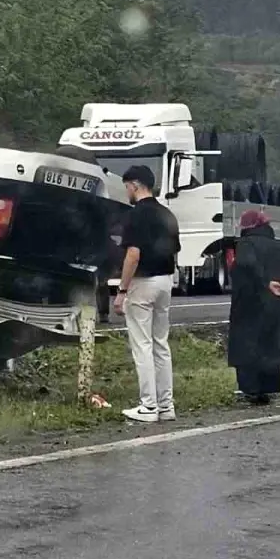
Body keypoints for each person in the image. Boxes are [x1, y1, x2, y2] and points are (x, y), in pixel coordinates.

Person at [113, 165, 181, 423]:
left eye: (127, 186)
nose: (127, 192)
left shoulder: (135, 216)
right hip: (166, 280)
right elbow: (174, 249)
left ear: (136, 185)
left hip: (144, 282)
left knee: (142, 345)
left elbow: (133, 254)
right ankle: (166, 405)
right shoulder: (167, 214)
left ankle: (148, 406)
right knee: (161, 344)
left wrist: (122, 290)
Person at [227, 210, 280, 406]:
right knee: (272, 345)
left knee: (248, 345)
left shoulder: (245, 244)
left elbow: (246, 264)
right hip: (277, 303)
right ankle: (269, 388)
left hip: (250, 303)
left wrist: (266, 282)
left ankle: (250, 389)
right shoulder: (277, 244)